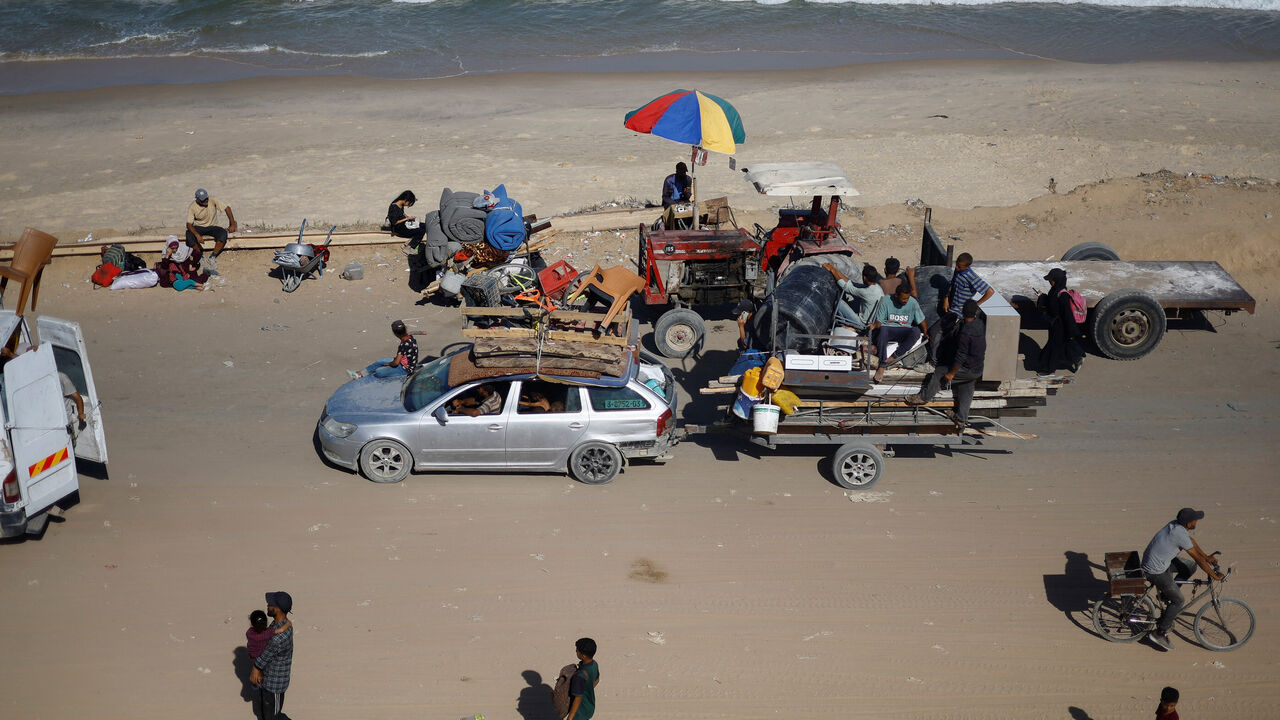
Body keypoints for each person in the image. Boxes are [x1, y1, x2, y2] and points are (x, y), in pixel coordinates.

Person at [1141, 508, 1223, 651]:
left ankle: (1167, 594)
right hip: (1155, 570)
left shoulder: (1176, 525)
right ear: (1189, 523)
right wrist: (1214, 575)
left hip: (1159, 562)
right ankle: (1159, 633)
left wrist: (1207, 557)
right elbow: (1197, 559)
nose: (1197, 521)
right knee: (1179, 600)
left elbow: (1191, 542)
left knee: (1189, 567)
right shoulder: (1179, 534)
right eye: (1195, 519)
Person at [907, 299, 985, 425]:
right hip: (978, 368)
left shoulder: (966, 332)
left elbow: (961, 355)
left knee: (940, 372)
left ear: (962, 311)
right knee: (967, 386)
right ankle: (961, 417)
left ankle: (923, 397)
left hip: (967, 367)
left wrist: (952, 374)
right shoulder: (980, 324)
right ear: (976, 312)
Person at [869, 281, 928, 384]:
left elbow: (921, 319)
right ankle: (882, 365)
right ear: (896, 295)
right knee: (883, 329)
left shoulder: (912, 302)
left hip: (904, 330)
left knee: (916, 331)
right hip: (888, 329)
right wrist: (874, 326)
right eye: (903, 298)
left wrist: (926, 332)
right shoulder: (887, 299)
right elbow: (879, 321)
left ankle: (894, 357)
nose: (905, 301)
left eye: (907, 298)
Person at [251, 591, 294, 720]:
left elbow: (264, 658)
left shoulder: (278, 638)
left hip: (274, 685)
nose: (268, 605)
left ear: (278, 609)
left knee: (273, 715)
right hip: (269, 679)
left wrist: (255, 670)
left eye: (270, 604)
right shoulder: (281, 624)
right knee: (266, 712)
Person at [1036, 267, 1085, 375]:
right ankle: (1077, 357)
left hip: (1060, 327)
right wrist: (1042, 296)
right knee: (1062, 346)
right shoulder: (1054, 291)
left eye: (1051, 280)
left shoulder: (1063, 295)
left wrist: (1072, 332)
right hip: (1055, 325)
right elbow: (1050, 304)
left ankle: (1048, 370)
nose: (1050, 281)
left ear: (1056, 280)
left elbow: (1068, 315)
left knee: (1053, 348)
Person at [185, 188, 236, 275]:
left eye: (206, 198)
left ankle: (213, 256)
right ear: (197, 199)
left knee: (223, 233)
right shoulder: (192, 207)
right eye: (203, 199)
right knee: (189, 235)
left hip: (212, 226)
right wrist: (197, 235)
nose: (206, 200)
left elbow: (227, 208)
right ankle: (200, 256)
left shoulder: (212, 200)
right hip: (199, 227)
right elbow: (189, 224)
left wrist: (232, 224)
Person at [348, 320, 419, 379]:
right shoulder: (410, 337)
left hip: (406, 369)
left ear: (395, 334)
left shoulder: (403, 345)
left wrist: (389, 364)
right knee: (381, 361)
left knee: (379, 371)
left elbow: (396, 363)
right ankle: (359, 374)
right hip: (407, 363)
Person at [825, 262, 883, 332]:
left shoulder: (866, 292)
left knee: (839, 303)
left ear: (864, 277)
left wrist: (832, 271)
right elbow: (852, 283)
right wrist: (835, 269)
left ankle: (843, 324)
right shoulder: (877, 287)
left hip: (862, 324)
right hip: (870, 319)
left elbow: (846, 287)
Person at [566, 637, 600, 720]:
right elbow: (597, 680)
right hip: (589, 707)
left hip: (579, 713)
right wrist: (587, 689)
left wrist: (570, 718)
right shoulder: (594, 664)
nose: (576, 651)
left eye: (577, 650)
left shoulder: (579, 676)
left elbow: (578, 698)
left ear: (583, 655)